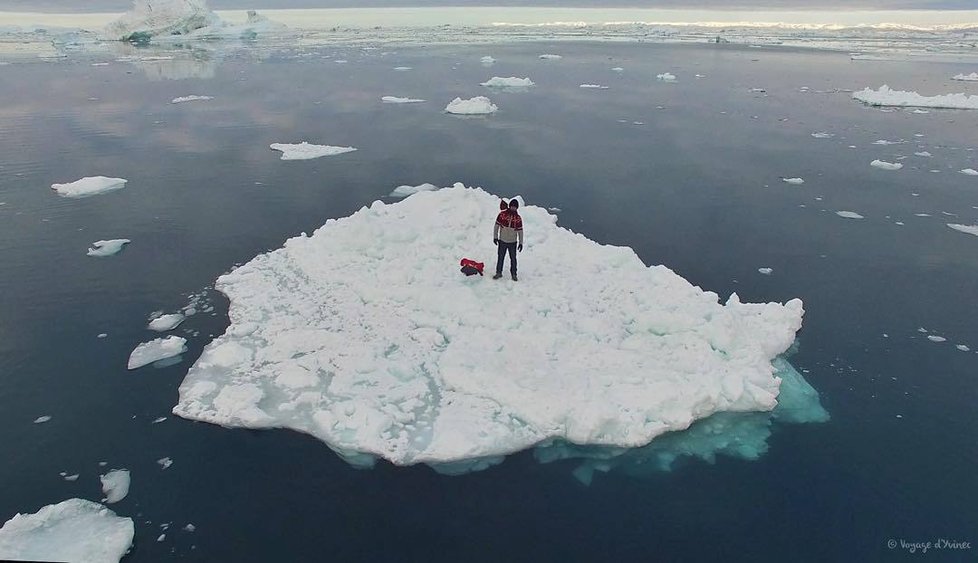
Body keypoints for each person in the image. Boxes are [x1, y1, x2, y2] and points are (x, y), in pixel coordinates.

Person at [493, 199, 523, 281]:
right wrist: (495, 237)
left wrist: (520, 243)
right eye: (512, 206)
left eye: (515, 207)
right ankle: (498, 272)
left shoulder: (518, 218)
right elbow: (496, 226)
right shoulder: (502, 215)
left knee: (513, 258)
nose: (513, 208)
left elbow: (520, 231)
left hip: (513, 242)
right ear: (510, 206)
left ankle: (514, 274)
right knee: (500, 257)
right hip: (502, 240)